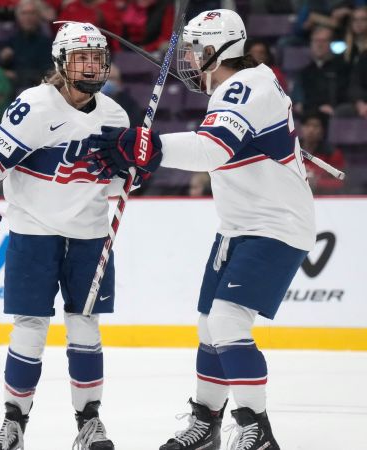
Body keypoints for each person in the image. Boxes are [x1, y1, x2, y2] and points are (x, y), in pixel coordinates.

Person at [86, 10, 315, 450]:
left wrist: (150, 147)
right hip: (240, 226)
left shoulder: (244, 88)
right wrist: (149, 151)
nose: (188, 60)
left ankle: (256, 427)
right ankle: (206, 422)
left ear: (217, 50)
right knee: (210, 325)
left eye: (195, 50)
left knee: (229, 321)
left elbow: (211, 149)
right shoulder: (245, 84)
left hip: (276, 225)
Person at [0, 21, 132, 450]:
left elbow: (115, 185)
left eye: (97, 58)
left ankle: (89, 423)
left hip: (90, 236)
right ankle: (14, 423)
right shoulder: (34, 107)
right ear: (61, 62)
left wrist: (136, 167)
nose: (91, 66)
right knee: (29, 330)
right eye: (81, 58)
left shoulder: (116, 115)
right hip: (33, 232)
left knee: (86, 329)